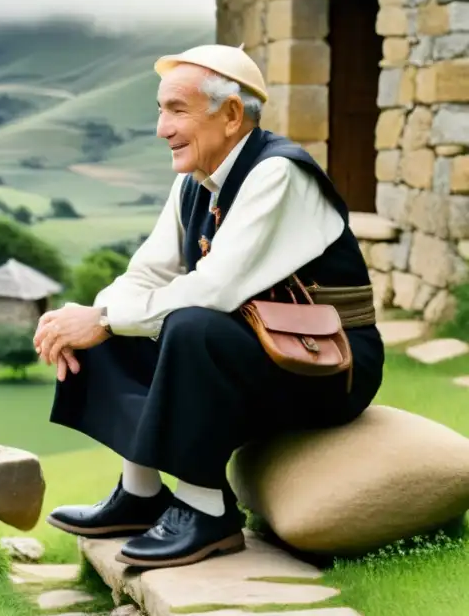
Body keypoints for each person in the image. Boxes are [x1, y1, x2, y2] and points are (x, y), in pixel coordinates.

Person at [34, 45, 384, 569]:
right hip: (260, 353)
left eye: (176, 110)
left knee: (188, 325)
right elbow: (147, 273)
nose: (161, 128)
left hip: (329, 365)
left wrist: (104, 320)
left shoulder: (279, 174)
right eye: (160, 110)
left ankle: (206, 510)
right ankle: (141, 492)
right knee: (111, 313)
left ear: (231, 115)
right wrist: (93, 317)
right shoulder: (193, 180)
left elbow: (215, 290)